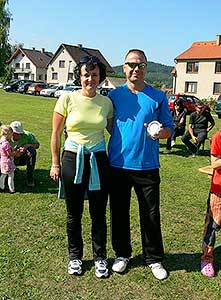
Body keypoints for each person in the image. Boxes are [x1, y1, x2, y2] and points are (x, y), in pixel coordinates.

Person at [108, 49, 174, 280]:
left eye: (141, 65)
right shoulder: (114, 96)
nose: (136, 69)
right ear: (124, 68)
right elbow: (109, 126)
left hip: (147, 166)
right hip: (118, 165)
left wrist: (160, 132)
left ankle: (154, 258)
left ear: (146, 68)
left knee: (150, 213)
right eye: (131, 64)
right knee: (119, 211)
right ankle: (122, 254)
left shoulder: (158, 97)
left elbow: (169, 128)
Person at [50, 56, 113, 278]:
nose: (90, 79)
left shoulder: (106, 103)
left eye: (94, 75)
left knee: (98, 213)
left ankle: (100, 258)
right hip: (71, 159)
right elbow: (56, 134)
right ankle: (75, 257)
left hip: (98, 160)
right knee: (73, 214)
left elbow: (115, 135)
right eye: (86, 74)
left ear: (100, 78)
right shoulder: (67, 98)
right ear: (80, 76)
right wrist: (55, 163)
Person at [200, 114, 221, 277]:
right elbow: (215, 163)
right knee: (213, 226)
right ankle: (207, 259)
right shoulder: (218, 137)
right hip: (220, 190)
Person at [10, 121, 40, 187]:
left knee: (32, 151)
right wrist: (14, 153)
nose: (17, 135)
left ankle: (30, 178)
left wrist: (27, 145)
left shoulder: (27, 135)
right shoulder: (4, 136)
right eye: (15, 133)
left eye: (19, 133)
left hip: (22, 158)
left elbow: (37, 145)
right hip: (8, 159)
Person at [0, 125, 16, 193]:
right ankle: (11, 189)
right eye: (11, 135)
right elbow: (9, 154)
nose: (11, 137)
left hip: (3, 161)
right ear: (7, 134)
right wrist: (16, 152)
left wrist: (12, 149)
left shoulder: (1, 141)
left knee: (3, 174)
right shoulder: (6, 143)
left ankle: (1, 186)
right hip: (8, 162)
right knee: (11, 175)